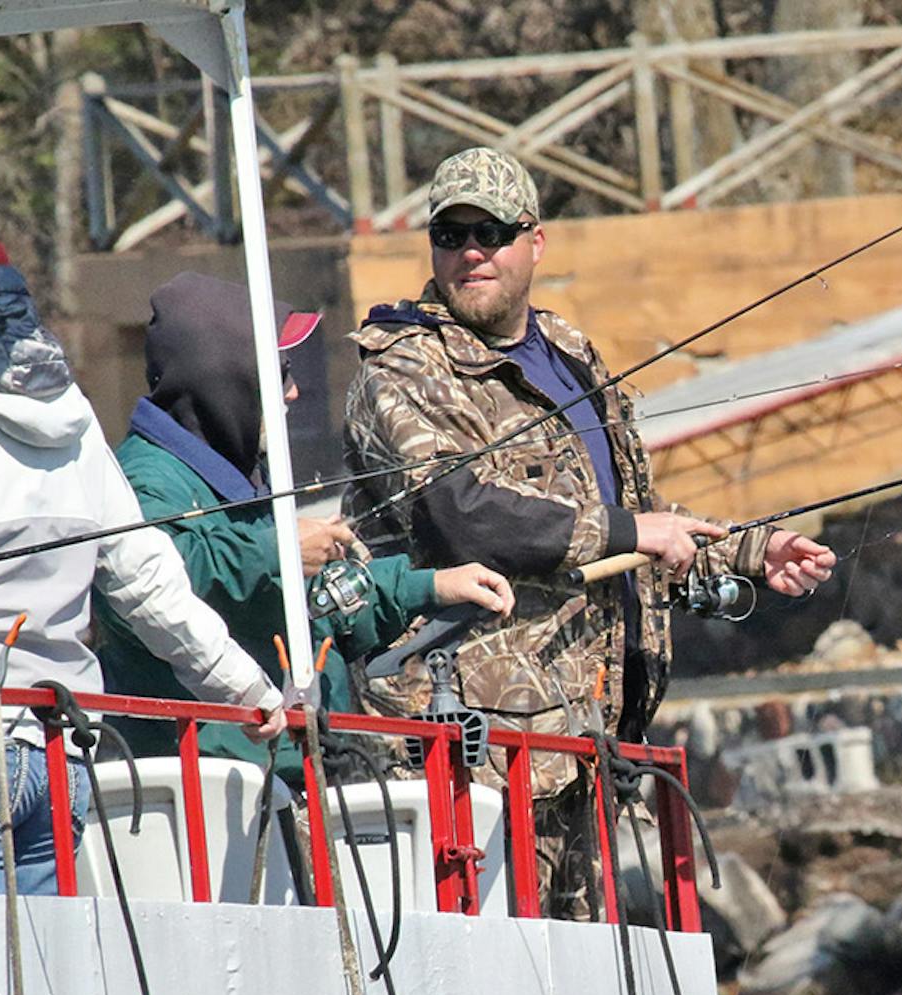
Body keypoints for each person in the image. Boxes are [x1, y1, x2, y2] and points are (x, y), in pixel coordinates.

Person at [343, 147, 835, 918]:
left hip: (588, 737)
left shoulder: (568, 353)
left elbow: (627, 514)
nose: (471, 251)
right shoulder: (403, 367)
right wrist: (637, 529)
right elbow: (460, 514)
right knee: (499, 972)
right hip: (474, 754)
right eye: (451, 234)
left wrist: (748, 550)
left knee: (578, 973)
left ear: (534, 242)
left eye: (492, 231)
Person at [0, 212, 281, 894]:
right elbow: (148, 584)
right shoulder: (71, 418)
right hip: (59, 750)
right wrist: (250, 691)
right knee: (47, 980)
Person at [96, 270, 512, 788]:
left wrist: (427, 585)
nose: (292, 393)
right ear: (223, 375)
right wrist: (280, 550)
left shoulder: (239, 467)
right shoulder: (144, 478)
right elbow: (158, 580)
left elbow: (312, 605)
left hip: (295, 774)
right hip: (215, 791)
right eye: (279, 372)